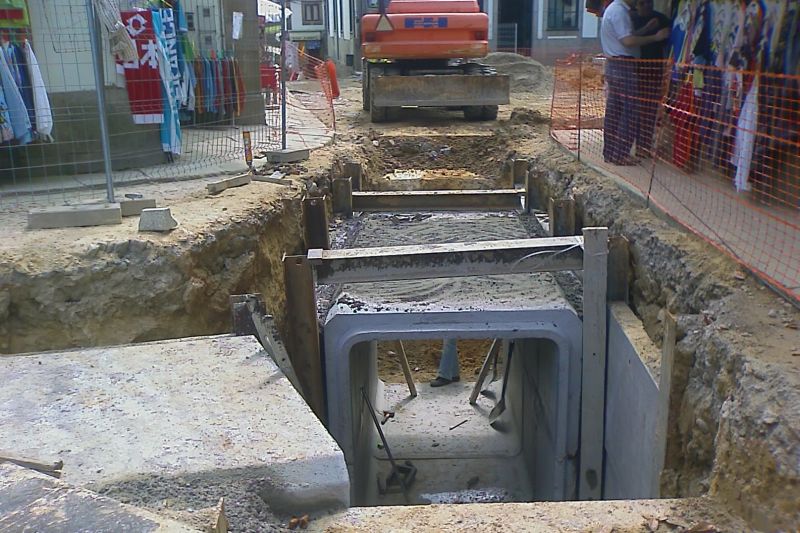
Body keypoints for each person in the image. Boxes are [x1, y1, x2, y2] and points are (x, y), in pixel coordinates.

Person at [600, 0, 670, 165]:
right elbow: (628, 41)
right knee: (629, 110)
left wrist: (646, 30)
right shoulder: (619, 12)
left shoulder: (614, 9)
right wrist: (655, 37)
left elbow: (624, 37)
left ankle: (610, 152)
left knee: (615, 111)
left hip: (615, 64)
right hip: (623, 65)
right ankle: (621, 154)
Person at [632, 0, 671, 157]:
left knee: (650, 110)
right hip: (635, 70)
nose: (647, 6)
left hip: (655, 70)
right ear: (637, 5)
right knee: (634, 109)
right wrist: (648, 30)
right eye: (642, 3)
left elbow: (670, 41)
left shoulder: (661, 19)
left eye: (649, 3)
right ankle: (632, 143)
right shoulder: (631, 19)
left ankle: (645, 146)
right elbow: (628, 38)